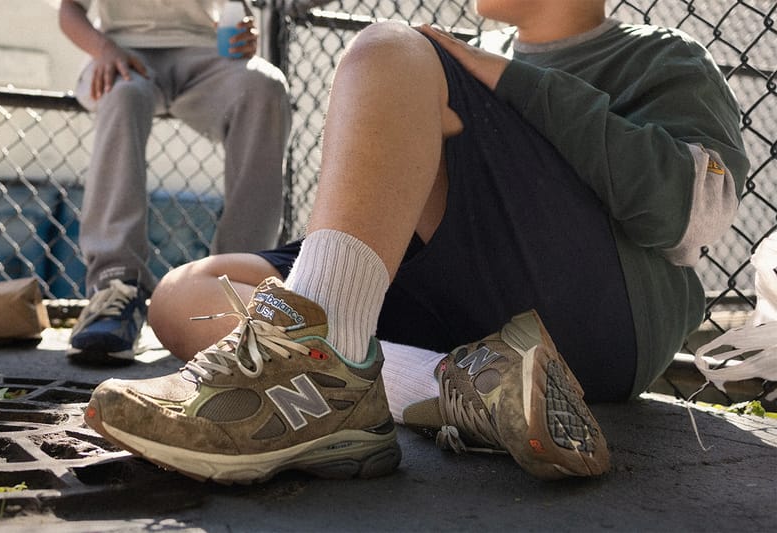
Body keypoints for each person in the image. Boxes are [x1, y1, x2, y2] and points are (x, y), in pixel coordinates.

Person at [82, 0, 749, 482]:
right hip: (466, 313)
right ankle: (451, 388)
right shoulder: (452, 60)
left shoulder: (663, 57)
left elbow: (692, 212)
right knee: (184, 295)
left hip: (603, 323)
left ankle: (324, 358)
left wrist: (502, 77)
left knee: (387, 49)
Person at [58, 0, 291, 365]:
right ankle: (115, 288)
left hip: (204, 53)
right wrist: (104, 48)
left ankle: (236, 288)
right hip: (123, 50)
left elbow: (238, 8)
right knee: (122, 94)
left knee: (265, 86)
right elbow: (69, 8)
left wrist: (246, 30)